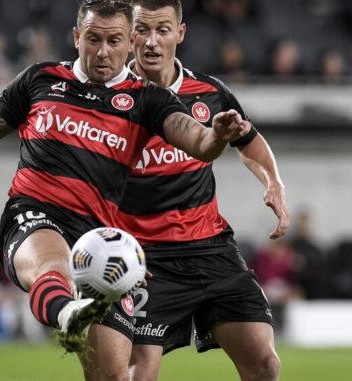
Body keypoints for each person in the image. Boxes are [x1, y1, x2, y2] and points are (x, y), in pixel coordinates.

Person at [0, 1, 250, 379]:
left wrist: (217, 134)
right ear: (76, 37)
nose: (103, 51)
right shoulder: (41, 80)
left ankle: (75, 308)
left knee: (112, 374)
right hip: (33, 212)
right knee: (54, 266)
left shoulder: (146, 100)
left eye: (114, 40)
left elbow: (196, 140)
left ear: (130, 41)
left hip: (99, 241)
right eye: (93, 39)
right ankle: (69, 314)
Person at [119, 2, 288, 381]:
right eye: (142, 30)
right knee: (137, 374)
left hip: (211, 248)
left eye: (162, 30)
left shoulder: (210, 92)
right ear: (129, 36)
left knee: (265, 364)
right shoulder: (111, 99)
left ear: (181, 33)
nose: (151, 41)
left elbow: (250, 141)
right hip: (146, 259)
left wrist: (273, 182)